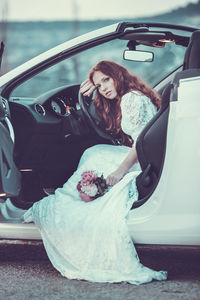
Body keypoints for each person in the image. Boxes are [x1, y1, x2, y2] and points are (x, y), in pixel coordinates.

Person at [23, 60, 167, 285]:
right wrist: (89, 93)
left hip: (143, 159)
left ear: (118, 75)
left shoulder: (130, 99)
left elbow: (140, 143)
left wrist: (120, 172)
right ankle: (73, 198)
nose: (104, 88)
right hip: (146, 155)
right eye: (99, 86)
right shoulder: (133, 94)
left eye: (107, 80)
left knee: (94, 154)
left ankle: (62, 205)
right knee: (95, 152)